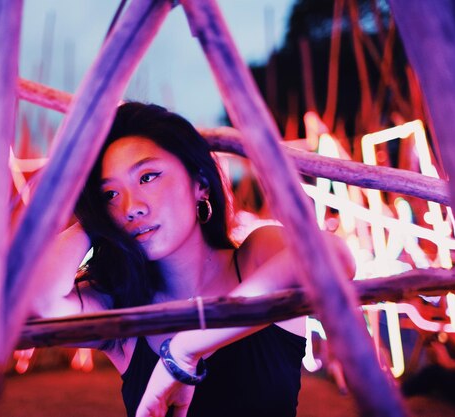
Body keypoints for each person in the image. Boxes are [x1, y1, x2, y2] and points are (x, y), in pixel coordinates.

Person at [30, 102, 354, 417]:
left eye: (147, 177)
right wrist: (93, 217)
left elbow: (335, 258)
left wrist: (183, 351)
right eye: (110, 194)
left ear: (200, 184)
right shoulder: (121, 306)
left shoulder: (256, 258)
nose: (131, 207)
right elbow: (42, 302)